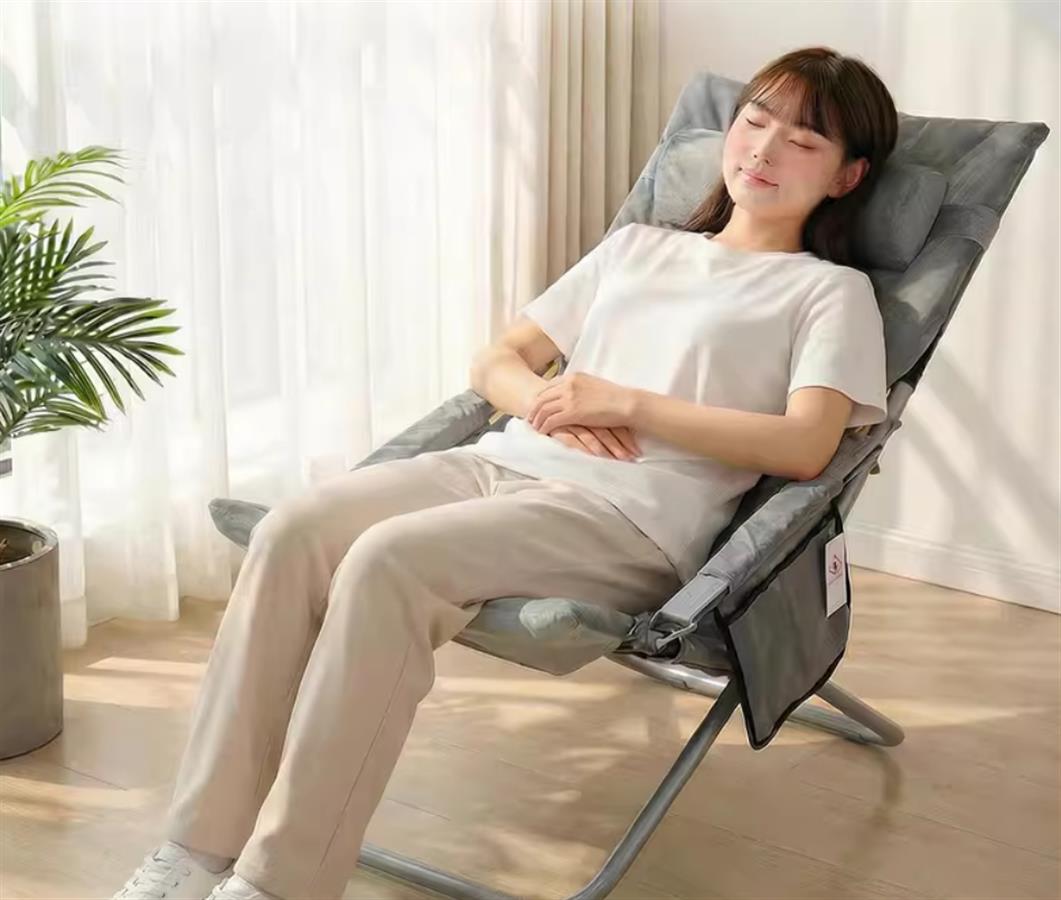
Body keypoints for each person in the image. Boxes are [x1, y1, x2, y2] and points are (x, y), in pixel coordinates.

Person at [112, 44, 897, 900]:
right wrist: (550, 403)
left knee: (388, 562)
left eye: (802, 141)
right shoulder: (638, 248)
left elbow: (806, 445)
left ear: (846, 176)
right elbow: (496, 361)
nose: (764, 148)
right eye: (754, 120)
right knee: (291, 531)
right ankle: (196, 849)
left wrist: (626, 403)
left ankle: (282, 882)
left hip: (628, 518)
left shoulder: (827, 293)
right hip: (502, 462)